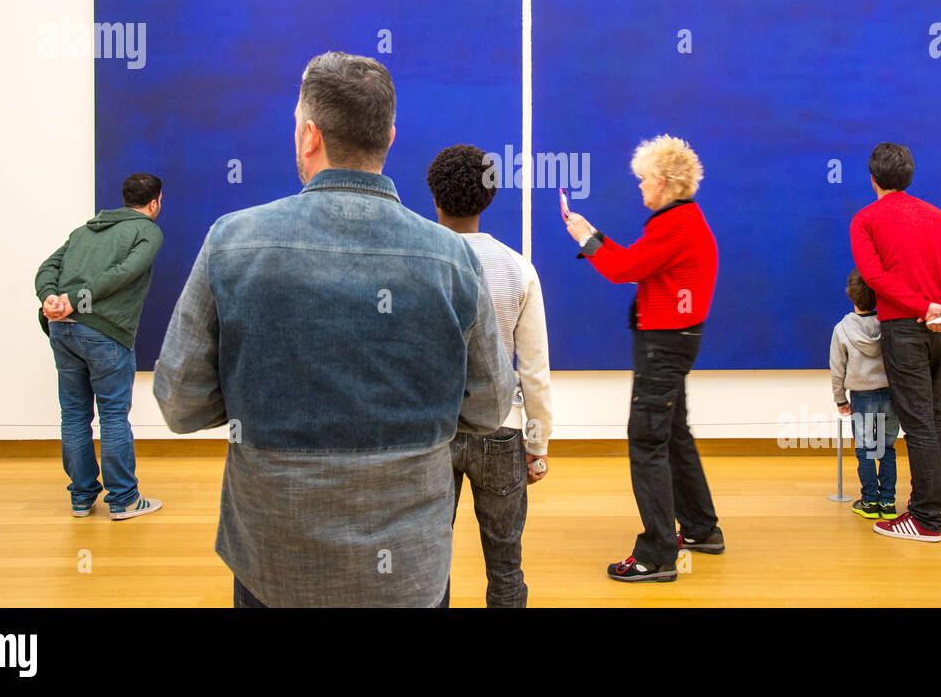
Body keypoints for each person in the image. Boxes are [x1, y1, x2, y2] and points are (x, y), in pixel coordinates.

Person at [153, 52, 516, 608]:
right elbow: (489, 409)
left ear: (308, 136)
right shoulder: (452, 259)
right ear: (389, 137)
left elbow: (180, 403)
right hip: (410, 569)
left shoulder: (231, 241)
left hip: (273, 563)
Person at [564, 134, 721, 582]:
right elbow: (635, 262)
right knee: (673, 434)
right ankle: (701, 529)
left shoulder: (675, 224)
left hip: (664, 345)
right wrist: (593, 237)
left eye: (644, 179)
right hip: (675, 339)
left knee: (647, 440)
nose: (639, 186)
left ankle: (656, 554)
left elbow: (622, 269)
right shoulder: (680, 221)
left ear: (667, 183)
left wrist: (587, 237)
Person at [427, 143, 553, 608]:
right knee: (506, 565)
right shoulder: (519, 269)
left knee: (426, 561)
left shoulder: (419, 263)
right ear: (490, 196)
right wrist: (537, 446)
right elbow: (534, 372)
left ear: (434, 197)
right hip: (502, 432)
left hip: (432, 433)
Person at [849, 142, 941, 543]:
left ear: (873, 178)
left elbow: (874, 277)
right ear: (909, 175)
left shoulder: (865, 219)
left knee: (918, 423)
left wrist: (923, 308)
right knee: (932, 419)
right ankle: (926, 508)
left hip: (904, 329)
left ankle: (925, 518)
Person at [34, 172, 164, 520]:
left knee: (74, 415)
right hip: (104, 334)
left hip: (62, 331)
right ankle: (123, 500)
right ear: (154, 203)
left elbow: (46, 268)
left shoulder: (83, 231)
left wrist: (52, 298)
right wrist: (73, 299)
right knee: (113, 417)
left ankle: (81, 497)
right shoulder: (147, 232)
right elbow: (124, 273)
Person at [831, 269, 900, 521]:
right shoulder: (889, 325)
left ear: (849, 294)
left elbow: (837, 368)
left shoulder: (842, 329)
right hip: (890, 395)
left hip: (861, 396)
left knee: (866, 448)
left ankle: (869, 500)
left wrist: (840, 398)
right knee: (886, 447)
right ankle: (888, 501)